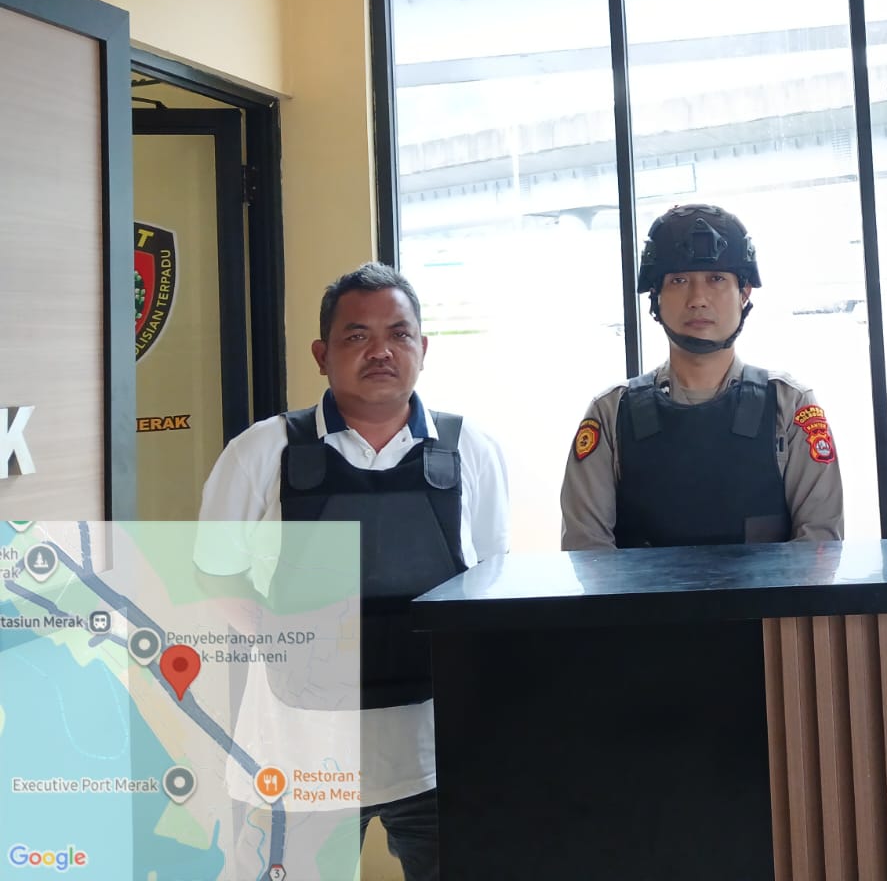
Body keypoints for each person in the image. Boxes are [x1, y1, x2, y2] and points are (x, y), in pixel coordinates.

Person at [195, 262, 510, 881]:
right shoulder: (262, 451)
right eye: (357, 335)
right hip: (299, 752)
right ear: (322, 355)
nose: (381, 351)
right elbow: (214, 574)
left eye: (399, 334)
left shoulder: (470, 448)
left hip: (435, 752)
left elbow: (491, 581)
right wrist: (282, 636)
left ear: (423, 348)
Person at [561, 203, 844, 549]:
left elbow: (819, 548)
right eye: (679, 280)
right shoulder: (611, 413)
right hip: (640, 590)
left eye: (716, 279)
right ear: (656, 297)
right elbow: (587, 554)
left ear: (744, 293)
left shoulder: (789, 406)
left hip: (769, 589)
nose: (697, 299)